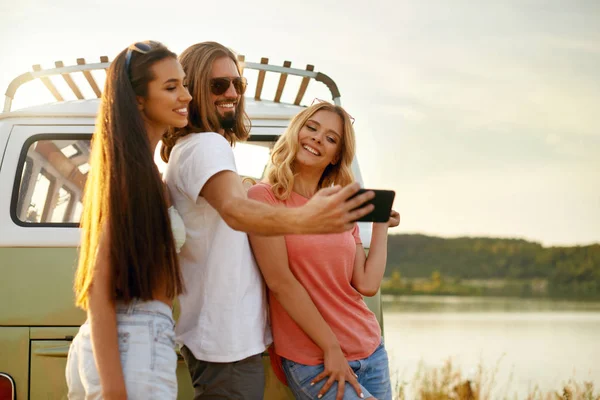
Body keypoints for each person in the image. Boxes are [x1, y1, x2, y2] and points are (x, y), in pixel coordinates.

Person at [160, 41, 375, 399]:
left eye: (237, 84)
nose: (231, 93)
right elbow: (235, 209)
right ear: (193, 88)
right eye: (218, 85)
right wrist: (306, 218)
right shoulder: (207, 146)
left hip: (222, 336)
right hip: (226, 340)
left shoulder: (200, 149)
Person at [247, 101, 400, 400]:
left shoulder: (339, 206)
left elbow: (367, 284)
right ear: (296, 131)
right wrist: (331, 348)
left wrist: (380, 225)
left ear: (336, 156)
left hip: (370, 350)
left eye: (331, 138)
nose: (317, 138)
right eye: (312, 128)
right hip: (313, 358)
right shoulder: (264, 197)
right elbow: (280, 282)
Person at [65, 40, 192, 400]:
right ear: (138, 99)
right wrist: (114, 390)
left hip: (130, 340)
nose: (186, 95)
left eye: (183, 83)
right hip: (136, 343)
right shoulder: (130, 175)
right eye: (171, 87)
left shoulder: (135, 169)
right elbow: (98, 285)